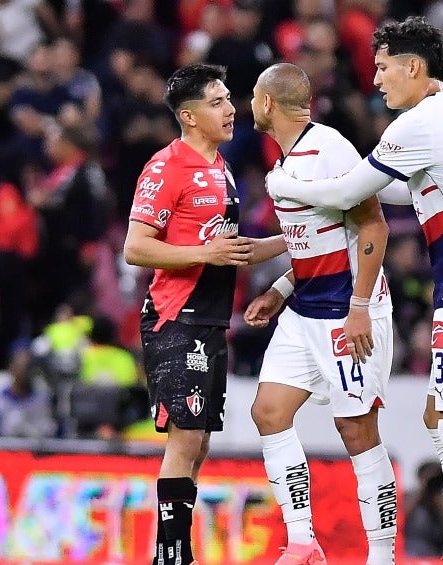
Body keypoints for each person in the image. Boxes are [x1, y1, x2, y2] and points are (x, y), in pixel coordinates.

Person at [265, 16, 443, 565]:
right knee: (442, 417)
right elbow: (419, 190)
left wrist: (281, 183)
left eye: (383, 68)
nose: (377, 80)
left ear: (414, 67)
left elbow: (344, 192)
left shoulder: (419, 124)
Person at [122, 63, 285, 565]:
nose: (231, 109)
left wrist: (300, 241)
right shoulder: (165, 167)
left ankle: (175, 552)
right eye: (217, 102)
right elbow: (136, 248)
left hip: (210, 321)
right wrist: (203, 255)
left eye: (229, 99)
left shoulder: (221, 168)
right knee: (186, 436)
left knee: (200, 442)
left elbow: (232, 251)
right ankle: (171, 555)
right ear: (189, 116)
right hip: (176, 316)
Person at [242, 62, 396, 565]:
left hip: (346, 310)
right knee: (268, 411)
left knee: (356, 431)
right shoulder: (287, 163)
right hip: (305, 307)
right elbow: (314, 239)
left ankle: (381, 555)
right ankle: (304, 541)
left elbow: (373, 228)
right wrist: (282, 287)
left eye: (252, 96)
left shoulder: (329, 149)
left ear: (266, 103)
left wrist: (358, 309)